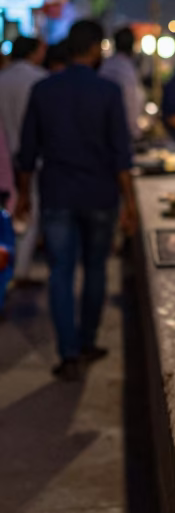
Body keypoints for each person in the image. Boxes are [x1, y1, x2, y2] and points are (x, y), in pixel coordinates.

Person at [15, 19, 137, 381]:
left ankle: (68, 353)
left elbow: (27, 153)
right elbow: (121, 155)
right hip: (100, 195)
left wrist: (24, 196)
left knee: (61, 273)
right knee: (95, 269)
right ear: (96, 48)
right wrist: (128, 204)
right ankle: (87, 341)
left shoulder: (44, 90)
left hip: (57, 194)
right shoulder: (108, 91)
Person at [0, 36, 47, 285]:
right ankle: (19, 271)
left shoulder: (3, 77)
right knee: (29, 209)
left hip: (3, 157)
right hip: (30, 156)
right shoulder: (39, 79)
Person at [100, 25, 144, 140]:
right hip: (121, 132)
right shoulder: (127, 69)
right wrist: (135, 132)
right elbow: (131, 103)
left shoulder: (106, 65)